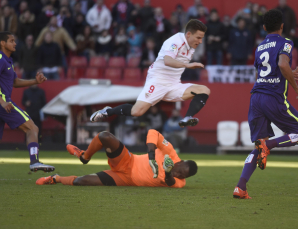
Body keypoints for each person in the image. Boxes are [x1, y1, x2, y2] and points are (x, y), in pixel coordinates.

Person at [233, 10, 298, 199]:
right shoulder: (286, 43)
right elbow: (283, 64)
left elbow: (262, 74)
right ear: (282, 26)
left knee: (259, 145)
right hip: (273, 98)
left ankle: (240, 187)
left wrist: (289, 72)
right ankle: (270, 145)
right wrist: (297, 87)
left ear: (264, 27)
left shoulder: (259, 47)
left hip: (256, 97)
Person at [90, 19, 210, 128]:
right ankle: (107, 111)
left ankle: (187, 117)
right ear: (188, 34)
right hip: (158, 80)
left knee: (204, 90)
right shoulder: (175, 41)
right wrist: (187, 65)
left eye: (202, 38)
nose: (200, 41)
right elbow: (168, 61)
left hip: (173, 84)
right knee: (136, 112)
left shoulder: (191, 46)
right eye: (198, 37)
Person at [36, 129, 198, 187]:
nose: (178, 174)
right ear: (181, 162)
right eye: (179, 170)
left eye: (182, 176)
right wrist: (151, 155)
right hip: (128, 161)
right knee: (105, 136)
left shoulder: (178, 182)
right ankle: (84, 156)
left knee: (81, 182)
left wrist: (169, 172)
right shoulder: (171, 154)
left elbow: (170, 182)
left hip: (125, 179)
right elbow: (153, 133)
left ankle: (54, 179)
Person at [0, 31, 54, 172]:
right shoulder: (0, 59)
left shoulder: (8, 60)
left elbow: (15, 82)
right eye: (11, 40)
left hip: (3, 104)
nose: (15, 43)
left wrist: (35, 81)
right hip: (4, 104)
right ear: (2, 43)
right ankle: (34, 161)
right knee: (32, 128)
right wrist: (2, 102)